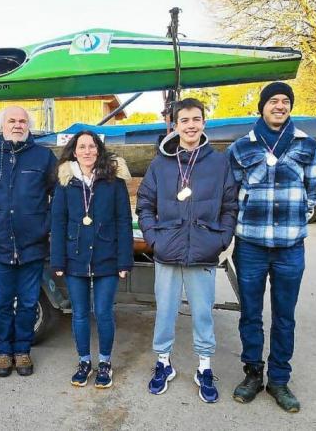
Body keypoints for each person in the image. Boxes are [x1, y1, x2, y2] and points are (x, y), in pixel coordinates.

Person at [228, 82, 316, 413]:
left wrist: (294, 218)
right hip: (250, 245)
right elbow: (231, 194)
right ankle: (253, 374)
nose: (279, 105)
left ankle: (279, 380)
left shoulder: (307, 145)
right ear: (262, 107)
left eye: (285, 101)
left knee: (285, 316)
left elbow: (314, 191)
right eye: (273, 101)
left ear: (290, 107)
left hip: (290, 248)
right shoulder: (241, 148)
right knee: (250, 314)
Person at [136, 98, 238, 403]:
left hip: (203, 251)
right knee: (165, 311)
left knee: (203, 313)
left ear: (204, 123)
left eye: (196, 119)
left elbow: (230, 205)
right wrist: (154, 239)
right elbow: (144, 205)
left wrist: (220, 239)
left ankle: (204, 368)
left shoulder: (219, 163)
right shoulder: (160, 163)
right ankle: (163, 363)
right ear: (175, 125)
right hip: (167, 250)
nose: (191, 125)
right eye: (185, 120)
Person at [0, 105, 57, 377]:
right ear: (1, 126)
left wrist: (46, 226)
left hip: (33, 245)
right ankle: (4, 352)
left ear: (28, 126)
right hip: (0, 245)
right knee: (3, 302)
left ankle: (22, 351)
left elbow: (59, 194)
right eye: (12, 121)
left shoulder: (44, 157)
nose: (18, 125)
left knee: (29, 303)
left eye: (22, 121)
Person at [50, 130, 133, 389]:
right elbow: (58, 222)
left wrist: (124, 261)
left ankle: (105, 362)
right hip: (75, 259)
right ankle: (84, 361)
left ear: (99, 150)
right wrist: (58, 261)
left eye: (92, 146)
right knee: (80, 314)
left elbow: (123, 222)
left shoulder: (113, 181)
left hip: (107, 258)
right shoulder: (65, 182)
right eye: (82, 147)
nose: (88, 151)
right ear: (74, 151)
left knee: (104, 312)